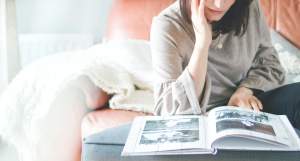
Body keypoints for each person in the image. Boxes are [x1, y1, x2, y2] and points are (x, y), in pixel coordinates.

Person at [150, 0, 300, 129]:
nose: (219, 4)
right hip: (203, 120)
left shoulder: (248, 7)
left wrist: (245, 90)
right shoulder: (167, 26)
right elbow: (169, 113)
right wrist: (202, 44)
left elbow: (270, 63)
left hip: (248, 105)